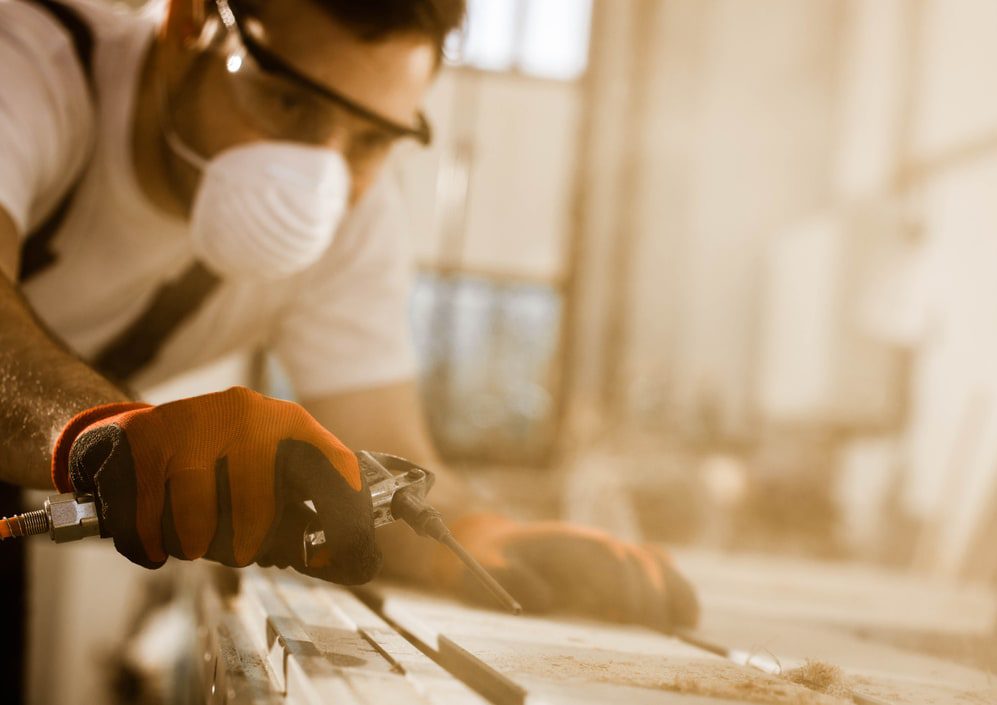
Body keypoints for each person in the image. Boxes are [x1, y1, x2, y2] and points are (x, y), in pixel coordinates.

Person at [0, 0, 697, 632]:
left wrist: (467, 529)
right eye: (285, 101)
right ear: (190, 25)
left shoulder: (355, 219)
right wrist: (104, 430)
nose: (317, 176)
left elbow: (382, 449)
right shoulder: (32, 63)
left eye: (370, 138)